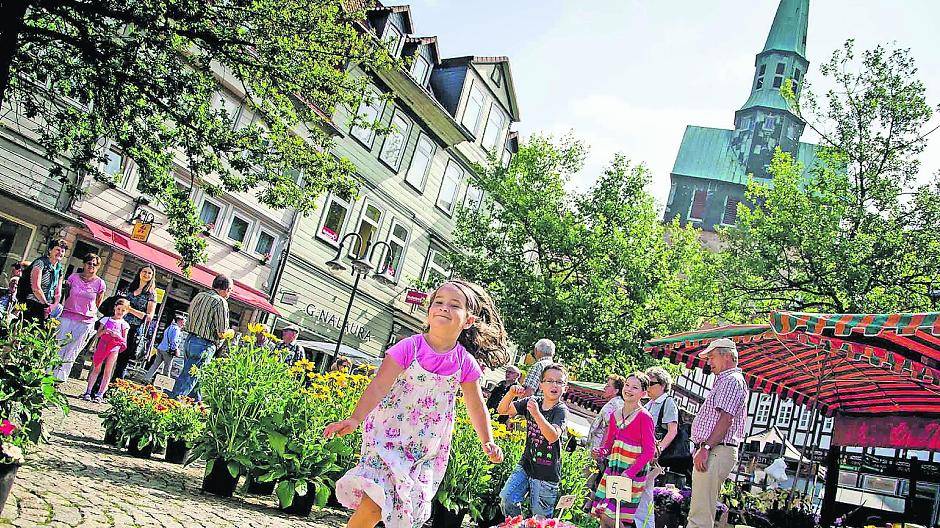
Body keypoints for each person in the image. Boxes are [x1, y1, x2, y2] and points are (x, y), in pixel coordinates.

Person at [324, 279, 508, 528]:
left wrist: (488, 440)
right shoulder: (410, 347)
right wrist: (355, 418)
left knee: (402, 511)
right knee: (374, 503)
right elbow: (379, 385)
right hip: (388, 436)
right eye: (439, 302)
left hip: (425, 449)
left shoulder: (465, 363)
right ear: (429, 311)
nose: (444, 307)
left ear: (468, 321)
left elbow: (476, 406)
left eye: (454, 305)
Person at [687, 339, 749, 528]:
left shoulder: (731, 380)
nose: (709, 362)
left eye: (712, 357)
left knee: (700, 514)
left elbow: (726, 419)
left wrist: (705, 447)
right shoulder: (727, 380)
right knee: (700, 509)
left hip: (716, 449)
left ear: (727, 356)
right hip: (715, 449)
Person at [497, 363, 570, 519]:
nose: (554, 385)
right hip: (526, 465)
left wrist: (536, 414)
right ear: (541, 384)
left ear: (565, 388)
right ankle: (518, 523)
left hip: (547, 474)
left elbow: (552, 436)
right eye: (549, 381)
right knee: (507, 499)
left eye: (559, 382)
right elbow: (502, 410)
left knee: (541, 519)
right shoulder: (532, 401)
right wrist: (511, 393)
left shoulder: (560, 410)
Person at [590, 372, 656, 528]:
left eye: (635, 387)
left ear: (643, 393)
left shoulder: (644, 417)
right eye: (627, 385)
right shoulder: (615, 415)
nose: (629, 389)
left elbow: (649, 451)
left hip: (631, 473)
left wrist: (630, 473)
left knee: (613, 515)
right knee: (602, 513)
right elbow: (609, 444)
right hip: (614, 469)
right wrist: (600, 452)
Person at [170, 274, 230, 399]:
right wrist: (229, 334)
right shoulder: (220, 302)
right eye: (230, 291)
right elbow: (221, 332)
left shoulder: (199, 296)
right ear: (226, 289)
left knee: (196, 380)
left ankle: (197, 407)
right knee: (187, 380)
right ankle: (170, 406)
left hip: (189, 340)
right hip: (205, 344)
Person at [634, 367, 681, 528]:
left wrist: (657, 449)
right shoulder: (649, 404)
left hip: (654, 457)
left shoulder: (668, 402)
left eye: (650, 383)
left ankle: (645, 525)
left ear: (662, 385)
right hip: (642, 453)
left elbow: (672, 430)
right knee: (641, 490)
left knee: (644, 490)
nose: (646, 387)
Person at [97, 265, 156, 389]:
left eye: (149, 273)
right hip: (117, 326)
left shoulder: (151, 294)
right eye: (144, 271)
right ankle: (98, 386)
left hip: (132, 329)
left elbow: (148, 317)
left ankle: (114, 389)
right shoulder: (130, 288)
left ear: (152, 276)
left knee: (122, 362)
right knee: (107, 357)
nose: (146, 274)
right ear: (139, 272)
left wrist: (130, 309)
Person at [53, 253, 106, 382]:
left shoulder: (100, 283)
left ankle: (61, 378)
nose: (91, 266)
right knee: (59, 346)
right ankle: (50, 373)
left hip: (85, 321)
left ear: (98, 267)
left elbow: (98, 302)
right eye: (89, 263)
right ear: (84, 264)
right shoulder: (73, 277)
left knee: (73, 349)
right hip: (67, 315)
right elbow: (66, 294)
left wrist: (89, 312)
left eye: (95, 264)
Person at [82, 299, 131, 403]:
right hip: (102, 346)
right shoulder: (105, 320)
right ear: (114, 308)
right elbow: (98, 334)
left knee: (108, 371)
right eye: (118, 309)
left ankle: (100, 394)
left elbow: (124, 341)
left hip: (114, 349)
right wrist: (105, 331)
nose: (120, 312)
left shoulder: (125, 325)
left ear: (126, 312)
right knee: (96, 369)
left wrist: (117, 335)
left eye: (123, 310)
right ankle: (88, 391)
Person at [587, 375, 626, 493]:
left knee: (588, 481)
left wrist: (601, 450)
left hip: (598, 451)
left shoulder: (615, 404)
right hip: (598, 449)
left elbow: (611, 428)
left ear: (616, 391)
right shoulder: (614, 403)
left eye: (608, 386)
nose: (604, 387)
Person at [22, 239, 68, 322]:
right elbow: (36, 288)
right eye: (57, 249)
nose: (60, 253)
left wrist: (53, 306)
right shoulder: (40, 263)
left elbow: (58, 293)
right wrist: (46, 305)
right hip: (32, 303)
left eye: (62, 251)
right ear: (50, 250)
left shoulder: (59, 269)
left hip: (48, 308)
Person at [145, 314, 185, 383]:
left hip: (161, 348)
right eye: (183, 322)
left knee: (155, 365)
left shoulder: (169, 327)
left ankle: (146, 378)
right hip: (168, 350)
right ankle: (164, 384)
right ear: (179, 321)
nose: (183, 324)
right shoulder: (176, 329)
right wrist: (176, 350)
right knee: (167, 368)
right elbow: (174, 341)